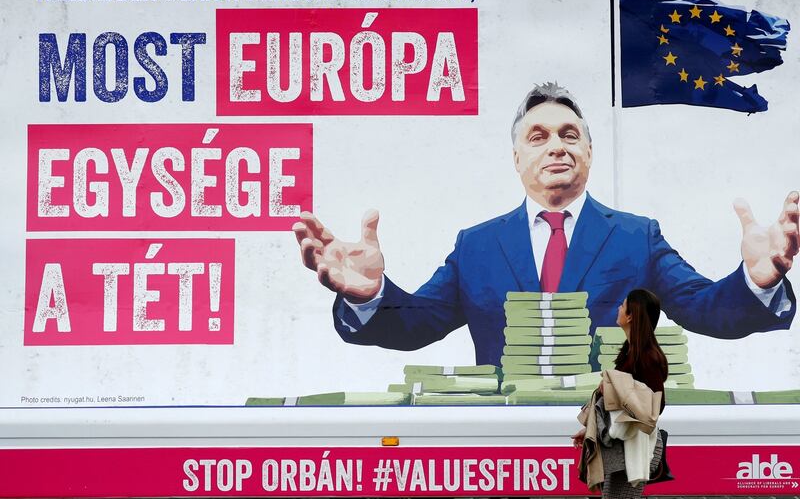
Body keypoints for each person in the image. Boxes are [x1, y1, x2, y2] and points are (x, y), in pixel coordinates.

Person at [292, 82, 797, 366]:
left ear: (589, 152)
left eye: (569, 134)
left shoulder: (637, 237)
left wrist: (755, 281)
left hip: (611, 453)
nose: (556, 144)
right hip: (504, 455)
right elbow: (416, 324)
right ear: (516, 158)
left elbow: (705, 310)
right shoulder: (477, 247)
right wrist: (369, 296)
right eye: (538, 136)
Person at [572, 289, 668, 498]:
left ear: (631, 315)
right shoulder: (630, 352)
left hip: (635, 448)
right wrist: (594, 428)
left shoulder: (646, 357)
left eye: (623, 305)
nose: (619, 308)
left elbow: (654, 406)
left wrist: (619, 388)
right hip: (623, 447)